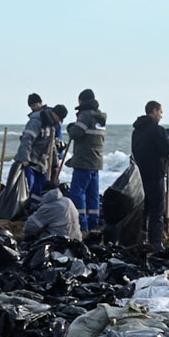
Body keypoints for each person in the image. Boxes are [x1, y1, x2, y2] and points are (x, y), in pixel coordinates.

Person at [130, 100, 169, 250]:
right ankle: (156, 242)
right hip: (155, 174)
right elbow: (164, 150)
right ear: (154, 111)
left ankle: (141, 239)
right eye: (161, 112)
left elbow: (135, 151)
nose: (161, 116)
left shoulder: (136, 130)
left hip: (140, 174)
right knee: (157, 210)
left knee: (144, 208)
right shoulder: (157, 130)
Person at [66, 90, 107, 232]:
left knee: (77, 193)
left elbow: (76, 133)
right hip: (96, 162)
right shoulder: (100, 118)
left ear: (81, 101)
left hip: (83, 161)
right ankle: (94, 226)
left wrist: (71, 127)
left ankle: (81, 225)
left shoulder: (85, 115)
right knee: (93, 196)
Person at [14, 94, 60, 195]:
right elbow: (28, 140)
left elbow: (50, 143)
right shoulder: (38, 119)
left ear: (41, 103)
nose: (33, 108)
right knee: (32, 186)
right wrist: (25, 158)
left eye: (35, 105)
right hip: (35, 161)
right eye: (31, 106)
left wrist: (56, 162)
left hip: (41, 161)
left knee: (39, 187)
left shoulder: (46, 119)